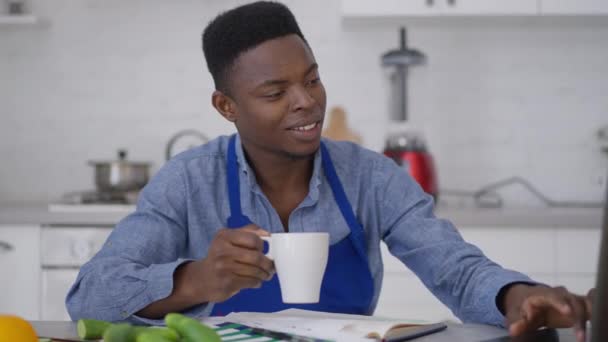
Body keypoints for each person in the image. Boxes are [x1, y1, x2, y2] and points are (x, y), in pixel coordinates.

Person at [66, 1, 594, 340]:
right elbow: (90, 298)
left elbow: (454, 268)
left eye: (312, 79)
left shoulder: (371, 177)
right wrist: (194, 279)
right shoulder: (187, 182)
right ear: (226, 107)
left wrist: (517, 297)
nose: (306, 103)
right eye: (275, 92)